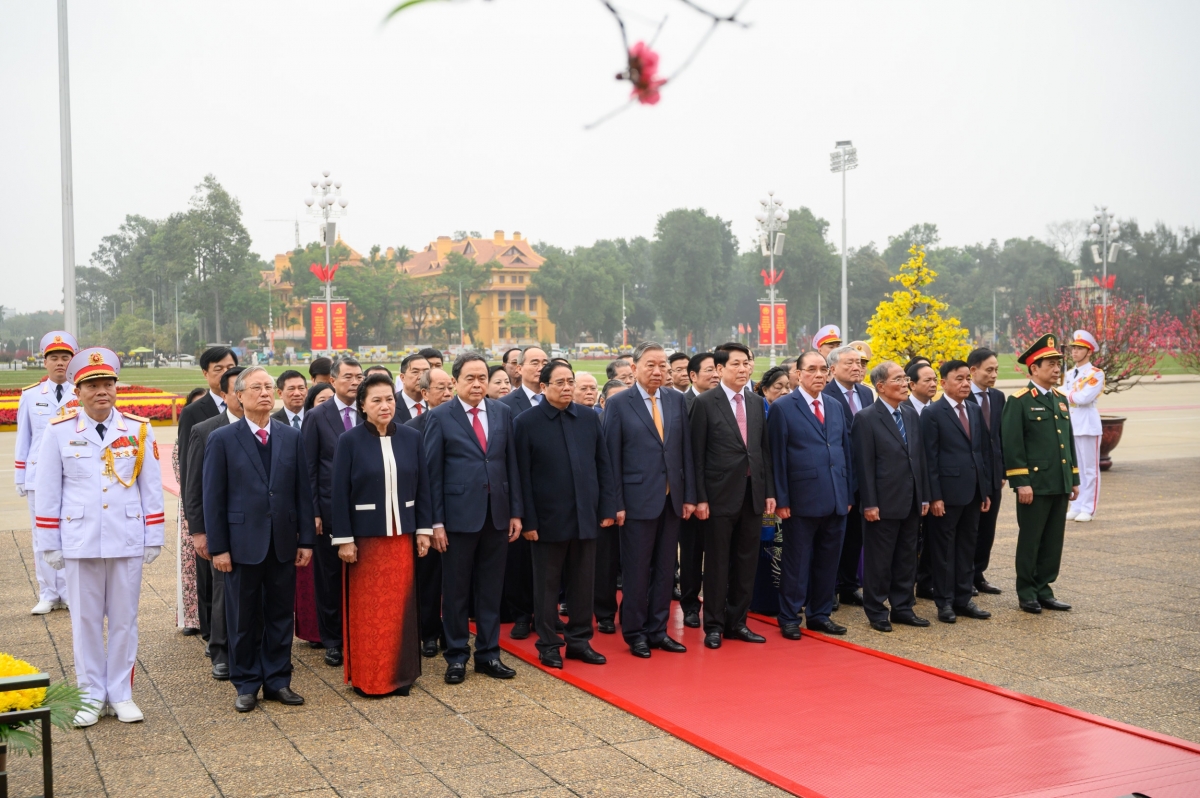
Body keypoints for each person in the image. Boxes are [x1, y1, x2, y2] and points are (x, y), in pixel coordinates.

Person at [35, 347, 164, 726]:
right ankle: (90, 696)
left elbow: (151, 486)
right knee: (85, 621)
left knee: (125, 619)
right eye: (92, 385)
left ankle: (121, 694)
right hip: (80, 539)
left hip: (125, 536)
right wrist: (50, 543)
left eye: (108, 383)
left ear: (116, 388)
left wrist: (152, 535)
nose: (101, 391)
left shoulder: (138, 428)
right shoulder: (59, 431)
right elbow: (48, 490)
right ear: (79, 391)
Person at [203, 366, 316, 713]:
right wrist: (219, 547)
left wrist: (306, 541)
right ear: (239, 395)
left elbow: (302, 493)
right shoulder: (222, 439)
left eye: (269, 387)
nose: (265, 393)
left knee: (281, 615)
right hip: (240, 545)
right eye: (257, 387)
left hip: (282, 541)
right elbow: (213, 497)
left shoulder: (291, 437)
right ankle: (247, 683)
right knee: (243, 618)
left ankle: (279, 680)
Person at [424, 352, 523, 684]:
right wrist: (436, 523)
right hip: (457, 519)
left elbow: (511, 465)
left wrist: (516, 512)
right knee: (455, 591)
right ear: (456, 381)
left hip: (496, 515)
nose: (478, 383)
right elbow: (432, 475)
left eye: (483, 377)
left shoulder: (502, 411)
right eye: (471, 378)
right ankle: (455, 656)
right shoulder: (440, 417)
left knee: (490, 589)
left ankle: (489, 654)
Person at [331, 373, 433, 696]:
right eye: (376, 400)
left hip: (402, 537)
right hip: (365, 541)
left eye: (389, 398)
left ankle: (401, 676)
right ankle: (371, 678)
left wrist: (424, 531)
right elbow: (339, 493)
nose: (385, 405)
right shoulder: (349, 442)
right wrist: (344, 539)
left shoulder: (411, 438)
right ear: (362, 405)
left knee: (400, 610)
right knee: (370, 613)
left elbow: (424, 488)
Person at [514, 361, 617, 669]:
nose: (567, 387)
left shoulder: (587, 418)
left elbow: (603, 466)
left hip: (585, 516)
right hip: (546, 521)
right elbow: (522, 477)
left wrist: (607, 508)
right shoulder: (526, 422)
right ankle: (548, 644)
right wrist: (528, 521)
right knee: (546, 585)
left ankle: (579, 641)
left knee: (583, 583)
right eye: (559, 382)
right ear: (543, 387)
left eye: (570, 381)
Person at [604, 341, 696, 658]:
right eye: (650, 365)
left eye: (663, 366)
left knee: (665, 571)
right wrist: (615, 503)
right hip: (635, 501)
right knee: (637, 571)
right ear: (635, 368)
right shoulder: (619, 404)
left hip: (671, 501)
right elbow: (610, 458)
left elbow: (685, 452)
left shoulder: (675, 400)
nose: (657, 372)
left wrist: (688, 496)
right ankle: (635, 633)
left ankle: (658, 631)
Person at [690, 343, 775, 649]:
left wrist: (769, 492)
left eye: (746, 363)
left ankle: (737, 623)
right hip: (718, 497)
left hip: (752, 495)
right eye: (736, 364)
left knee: (746, 563)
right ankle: (712, 625)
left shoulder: (755, 402)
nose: (742, 369)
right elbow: (696, 455)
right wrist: (699, 497)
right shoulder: (705, 403)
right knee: (716, 564)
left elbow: (763, 450)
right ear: (720, 369)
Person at [768, 350, 853, 639]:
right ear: (799, 374)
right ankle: (790, 616)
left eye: (823, 370)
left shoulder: (834, 405)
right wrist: (782, 499)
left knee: (829, 560)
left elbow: (844, 450)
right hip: (801, 500)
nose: (819, 375)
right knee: (797, 561)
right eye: (812, 370)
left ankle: (820, 614)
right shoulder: (783, 407)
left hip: (836, 496)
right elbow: (776, 457)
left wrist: (848, 492)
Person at [852, 361, 931, 633]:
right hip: (882, 503)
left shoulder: (910, 414)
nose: (905, 383)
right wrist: (870, 503)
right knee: (879, 560)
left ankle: (903, 607)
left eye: (906, 378)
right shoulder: (866, 418)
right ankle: (876, 610)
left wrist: (923, 497)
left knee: (907, 558)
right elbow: (864, 465)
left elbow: (918, 459)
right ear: (881, 386)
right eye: (898, 379)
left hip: (910, 499)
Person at [1003, 334, 1079, 615]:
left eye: (1059, 363)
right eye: (1051, 364)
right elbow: (1013, 446)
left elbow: (1068, 442)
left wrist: (1073, 478)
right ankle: (1027, 592)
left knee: (1052, 540)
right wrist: (1021, 483)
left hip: (1058, 482)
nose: (1057, 369)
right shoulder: (1019, 401)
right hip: (1034, 485)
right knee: (1031, 539)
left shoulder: (1060, 400)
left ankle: (1045, 588)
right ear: (1034, 369)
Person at [302, 355, 364, 666]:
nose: (355, 382)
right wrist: (312, 511)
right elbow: (309, 468)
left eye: (359, 377)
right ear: (333, 381)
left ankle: (359, 634)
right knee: (328, 577)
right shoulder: (318, 416)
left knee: (362, 574)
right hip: (328, 510)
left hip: (366, 509)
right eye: (349, 377)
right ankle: (333, 640)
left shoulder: (369, 409)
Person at [920, 360, 994, 624]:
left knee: (966, 548)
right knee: (943, 551)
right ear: (943, 383)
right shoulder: (933, 413)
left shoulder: (973, 410)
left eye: (967, 379)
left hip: (973, 492)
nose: (964, 384)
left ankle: (964, 599)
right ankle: (945, 602)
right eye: (958, 379)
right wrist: (935, 496)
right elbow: (929, 458)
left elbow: (981, 453)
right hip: (947, 495)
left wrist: (984, 491)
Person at [184, 366, 245, 681]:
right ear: (225, 394)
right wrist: (199, 532)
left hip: (259, 528)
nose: (246, 394)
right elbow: (193, 488)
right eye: (238, 388)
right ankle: (220, 652)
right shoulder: (207, 430)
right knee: (223, 591)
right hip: (222, 527)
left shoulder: (272, 427)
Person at [15, 331, 77, 615]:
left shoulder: (82, 392)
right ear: (45, 362)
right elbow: (24, 439)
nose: (60, 363)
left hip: (74, 474)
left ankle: (70, 592)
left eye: (66, 357)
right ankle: (48, 593)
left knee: (71, 533)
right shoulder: (30, 396)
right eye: (54, 358)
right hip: (38, 475)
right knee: (42, 534)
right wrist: (20, 476)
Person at [497, 345, 549, 637]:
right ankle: (521, 614)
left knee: (550, 562)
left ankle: (546, 615)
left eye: (544, 362)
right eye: (534, 362)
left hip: (551, 496)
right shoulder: (507, 405)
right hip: (519, 491)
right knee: (519, 560)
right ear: (518, 367)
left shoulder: (555, 399)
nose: (540, 366)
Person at [404, 368, 454, 657]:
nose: (447, 394)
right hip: (427, 514)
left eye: (451, 387)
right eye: (441, 388)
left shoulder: (463, 421)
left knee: (457, 578)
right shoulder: (413, 427)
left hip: (461, 513)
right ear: (424, 394)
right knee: (429, 576)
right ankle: (429, 632)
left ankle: (453, 629)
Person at [823, 345, 874, 610]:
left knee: (856, 535)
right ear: (832, 369)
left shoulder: (866, 393)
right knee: (834, 537)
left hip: (863, 475)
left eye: (859, 363)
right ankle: (828, 588)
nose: (857, 367)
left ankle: (848, 585)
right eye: (850, 363)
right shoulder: (825, 394)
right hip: (837, 474)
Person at [678, 351, 717, 628]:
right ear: (693, 376)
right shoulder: (681, 403)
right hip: (691, 493)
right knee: (691, 554)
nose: (715, 374)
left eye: (718, 369)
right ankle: (690, 605)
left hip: (721, 493)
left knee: (717, 554)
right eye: (709, 370)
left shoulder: (721, 401)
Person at [965, 348, 1005, 595]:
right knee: (970, 528)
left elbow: (1000, 437)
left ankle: (979, 573)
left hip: (993, 474)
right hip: (971, 475)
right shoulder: (960, 396)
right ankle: (964, 575)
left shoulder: (999, 397)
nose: (994, 375)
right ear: (973, 370)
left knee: (988, 529)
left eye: (996, 370)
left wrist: (1003, 471)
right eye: (989, 370)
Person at [174, 387, 207, 634]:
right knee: (191, 569)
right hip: (191, 505)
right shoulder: (186, 437)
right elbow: (181, 471)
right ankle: (192, 618)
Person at [1065, 330, 1104, 522]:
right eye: (1073, 348)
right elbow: (1071, 397)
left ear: (1089, 352)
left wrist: (1066, 395)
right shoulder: (1070, 374)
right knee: (1076, 468)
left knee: (1090, 469)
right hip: (1072, 424)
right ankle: (1077, 504)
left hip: (1088, 425)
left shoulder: (1095, 374)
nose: (1075, 352)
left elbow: (1084, 398)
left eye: (1079, 349)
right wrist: (1069, 396)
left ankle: (1089, 508)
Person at [396, 353, 430, 422]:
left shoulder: (436, 403)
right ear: (402, 378)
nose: (421, 377)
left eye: (426, 372)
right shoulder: (392, 405)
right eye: (415, 372)